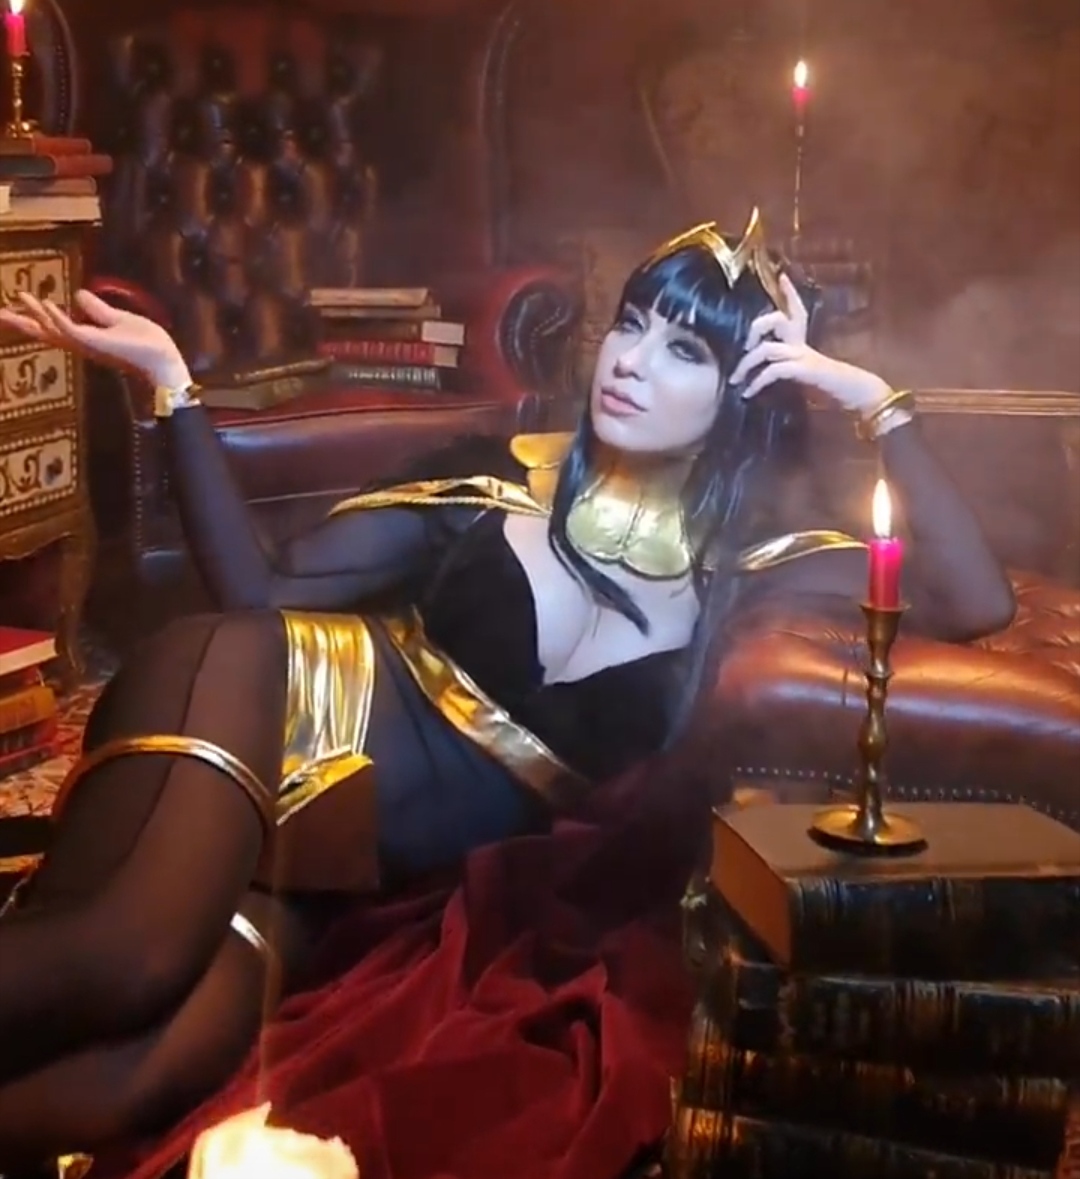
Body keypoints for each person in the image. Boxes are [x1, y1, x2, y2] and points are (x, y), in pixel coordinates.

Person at [0, 209, 1014, 1166]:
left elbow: (971, 598)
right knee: (127, 960)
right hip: (265, 701)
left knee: (136, 1080)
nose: (630, 360)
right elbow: (257, 593)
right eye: (630, 324)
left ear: (742, 392)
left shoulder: (753, 571)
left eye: (683, 350)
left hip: (338, 871)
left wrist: (867, 399)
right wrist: (172, 385)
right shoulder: (494, 482)